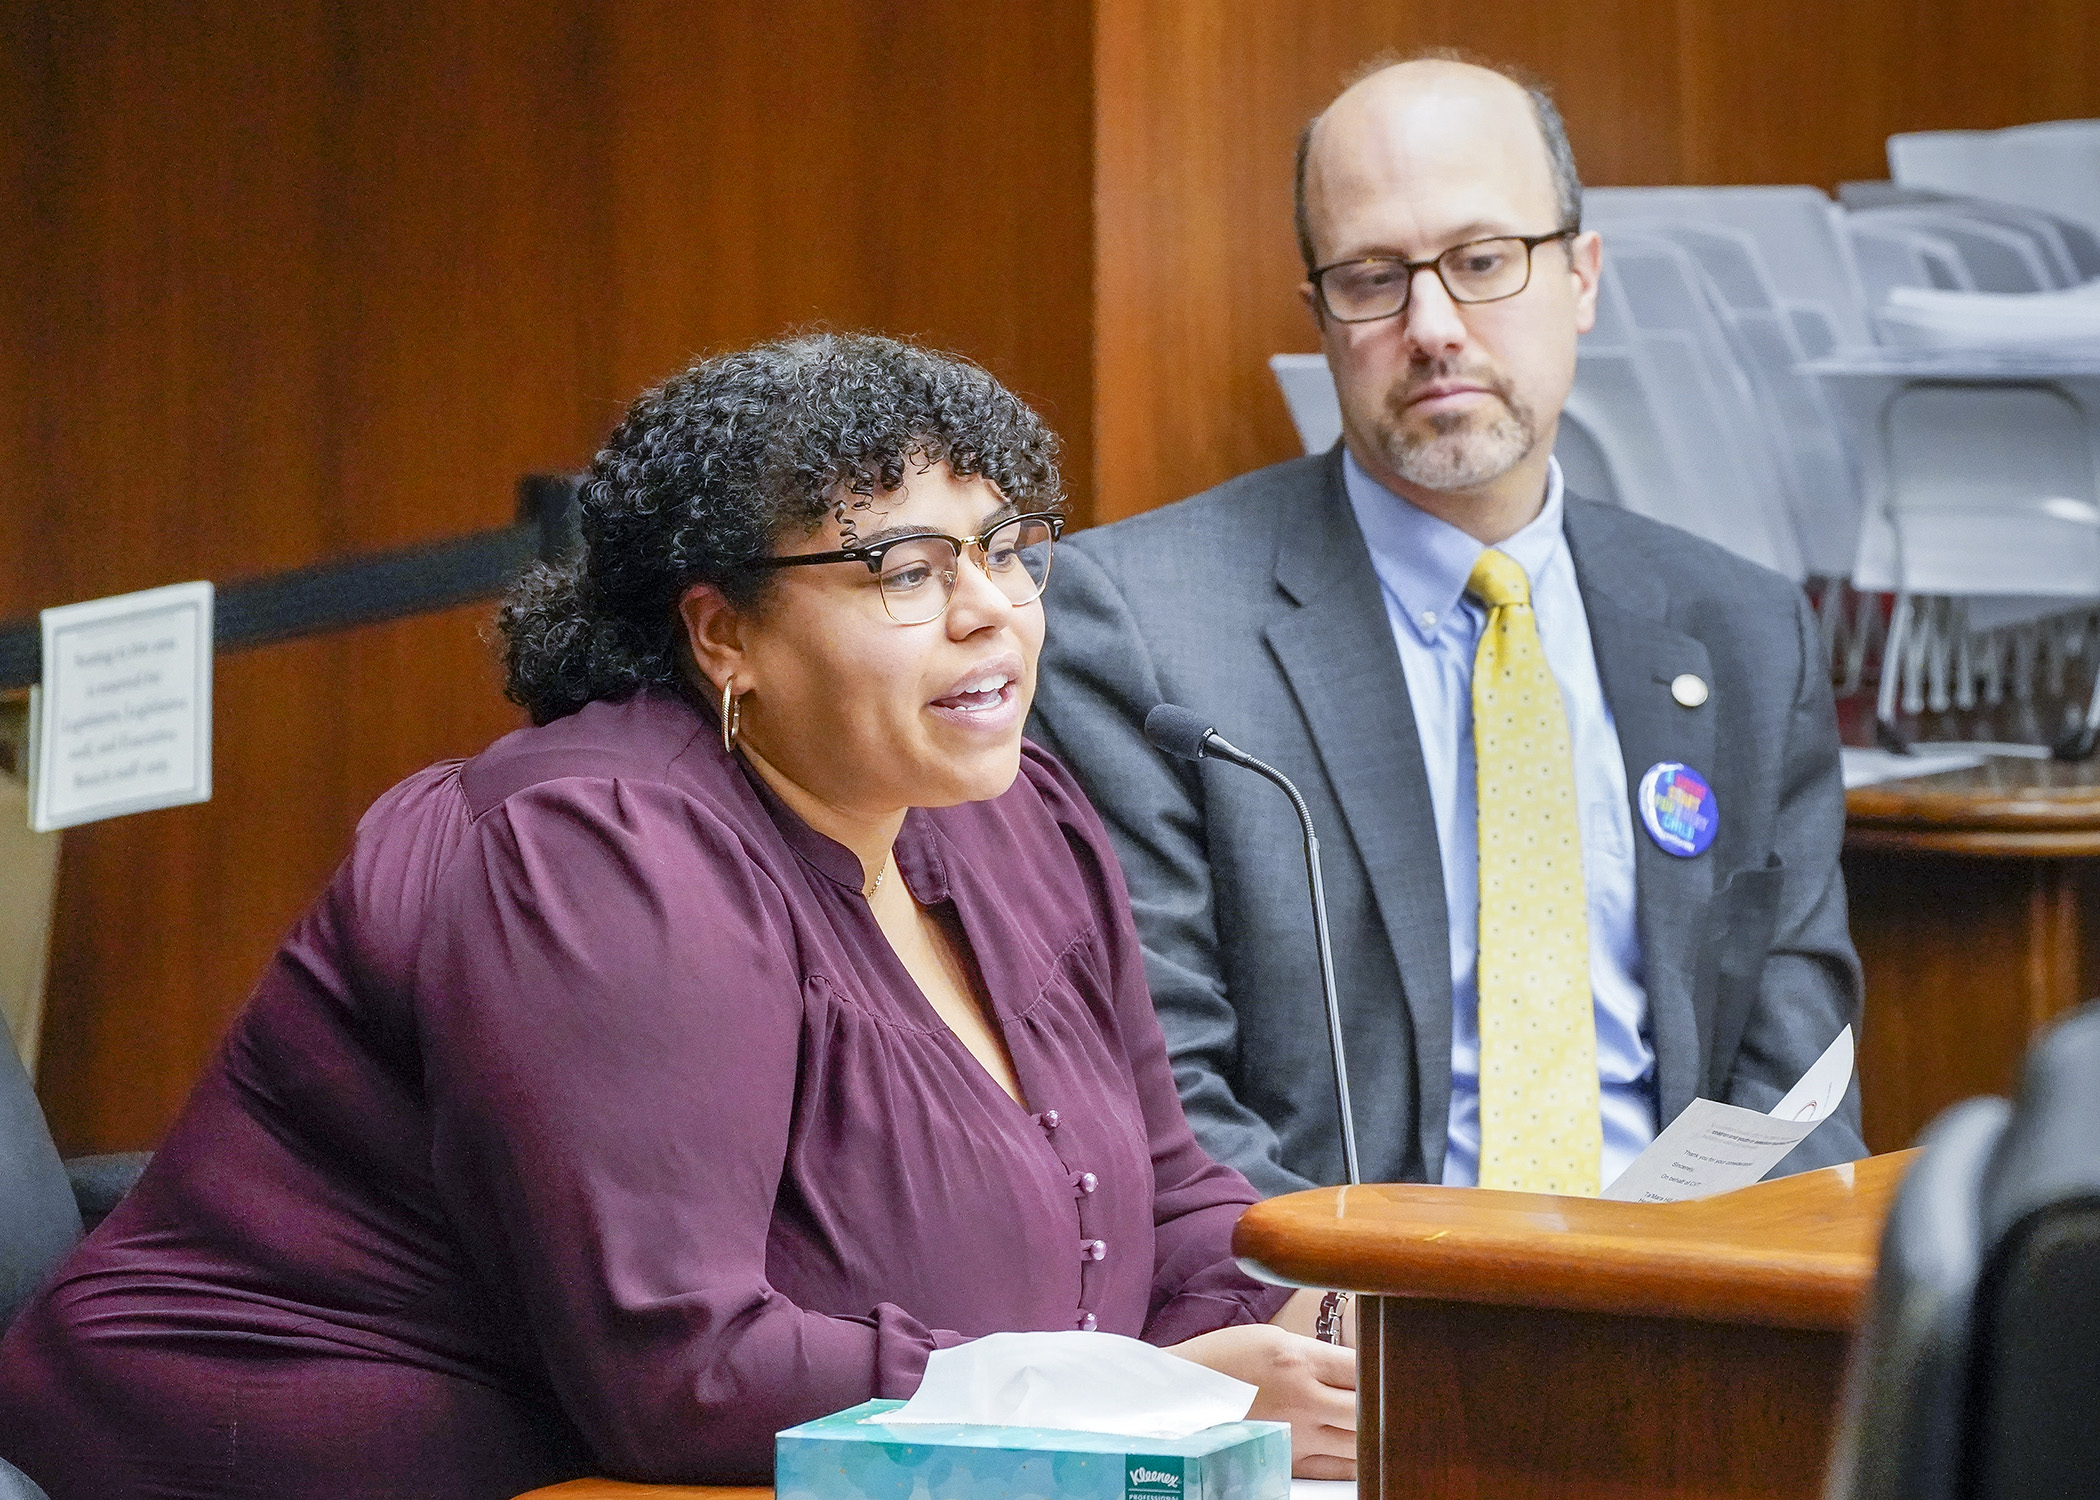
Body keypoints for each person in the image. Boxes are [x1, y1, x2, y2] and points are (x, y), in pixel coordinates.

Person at [0, 335, 1355, 1498]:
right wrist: (1146, 1407)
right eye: (904, 570)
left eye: (1009, 551)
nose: (990, 613)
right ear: (724, 636)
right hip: (313, 1457)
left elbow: (1168, 1202)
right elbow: (683, 1367)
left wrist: (1335, 1337)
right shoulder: (599, 852)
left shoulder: (1016, 815)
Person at [1028, 55, 1865, 1199]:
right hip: (1352, 1332)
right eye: (1373, 277)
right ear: (1320, 315)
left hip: (1686, 1318)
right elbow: (1166, 1094)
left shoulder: (1745, 631)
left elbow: (1794, 1090)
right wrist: (1366, 1330)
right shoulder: (1140, 628)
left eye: (1482, 261)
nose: (1432, 327)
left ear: (1580, 276)